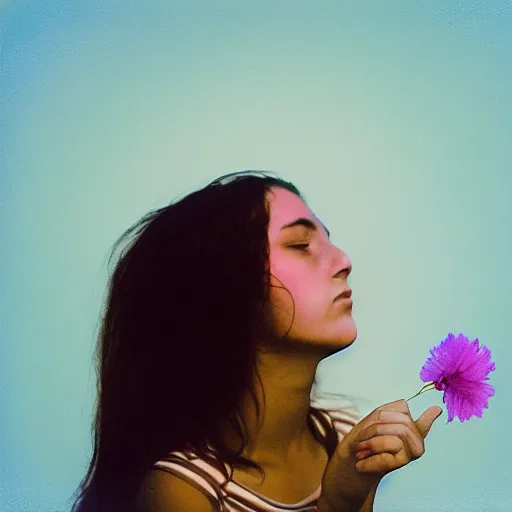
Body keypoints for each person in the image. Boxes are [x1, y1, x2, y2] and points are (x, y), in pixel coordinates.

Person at [70, 170, 442, 512]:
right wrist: (337, 503)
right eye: (300, 244)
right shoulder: (182, 490)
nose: (343, 260)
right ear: (224, 291)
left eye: (329, 241)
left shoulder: (347, 439)